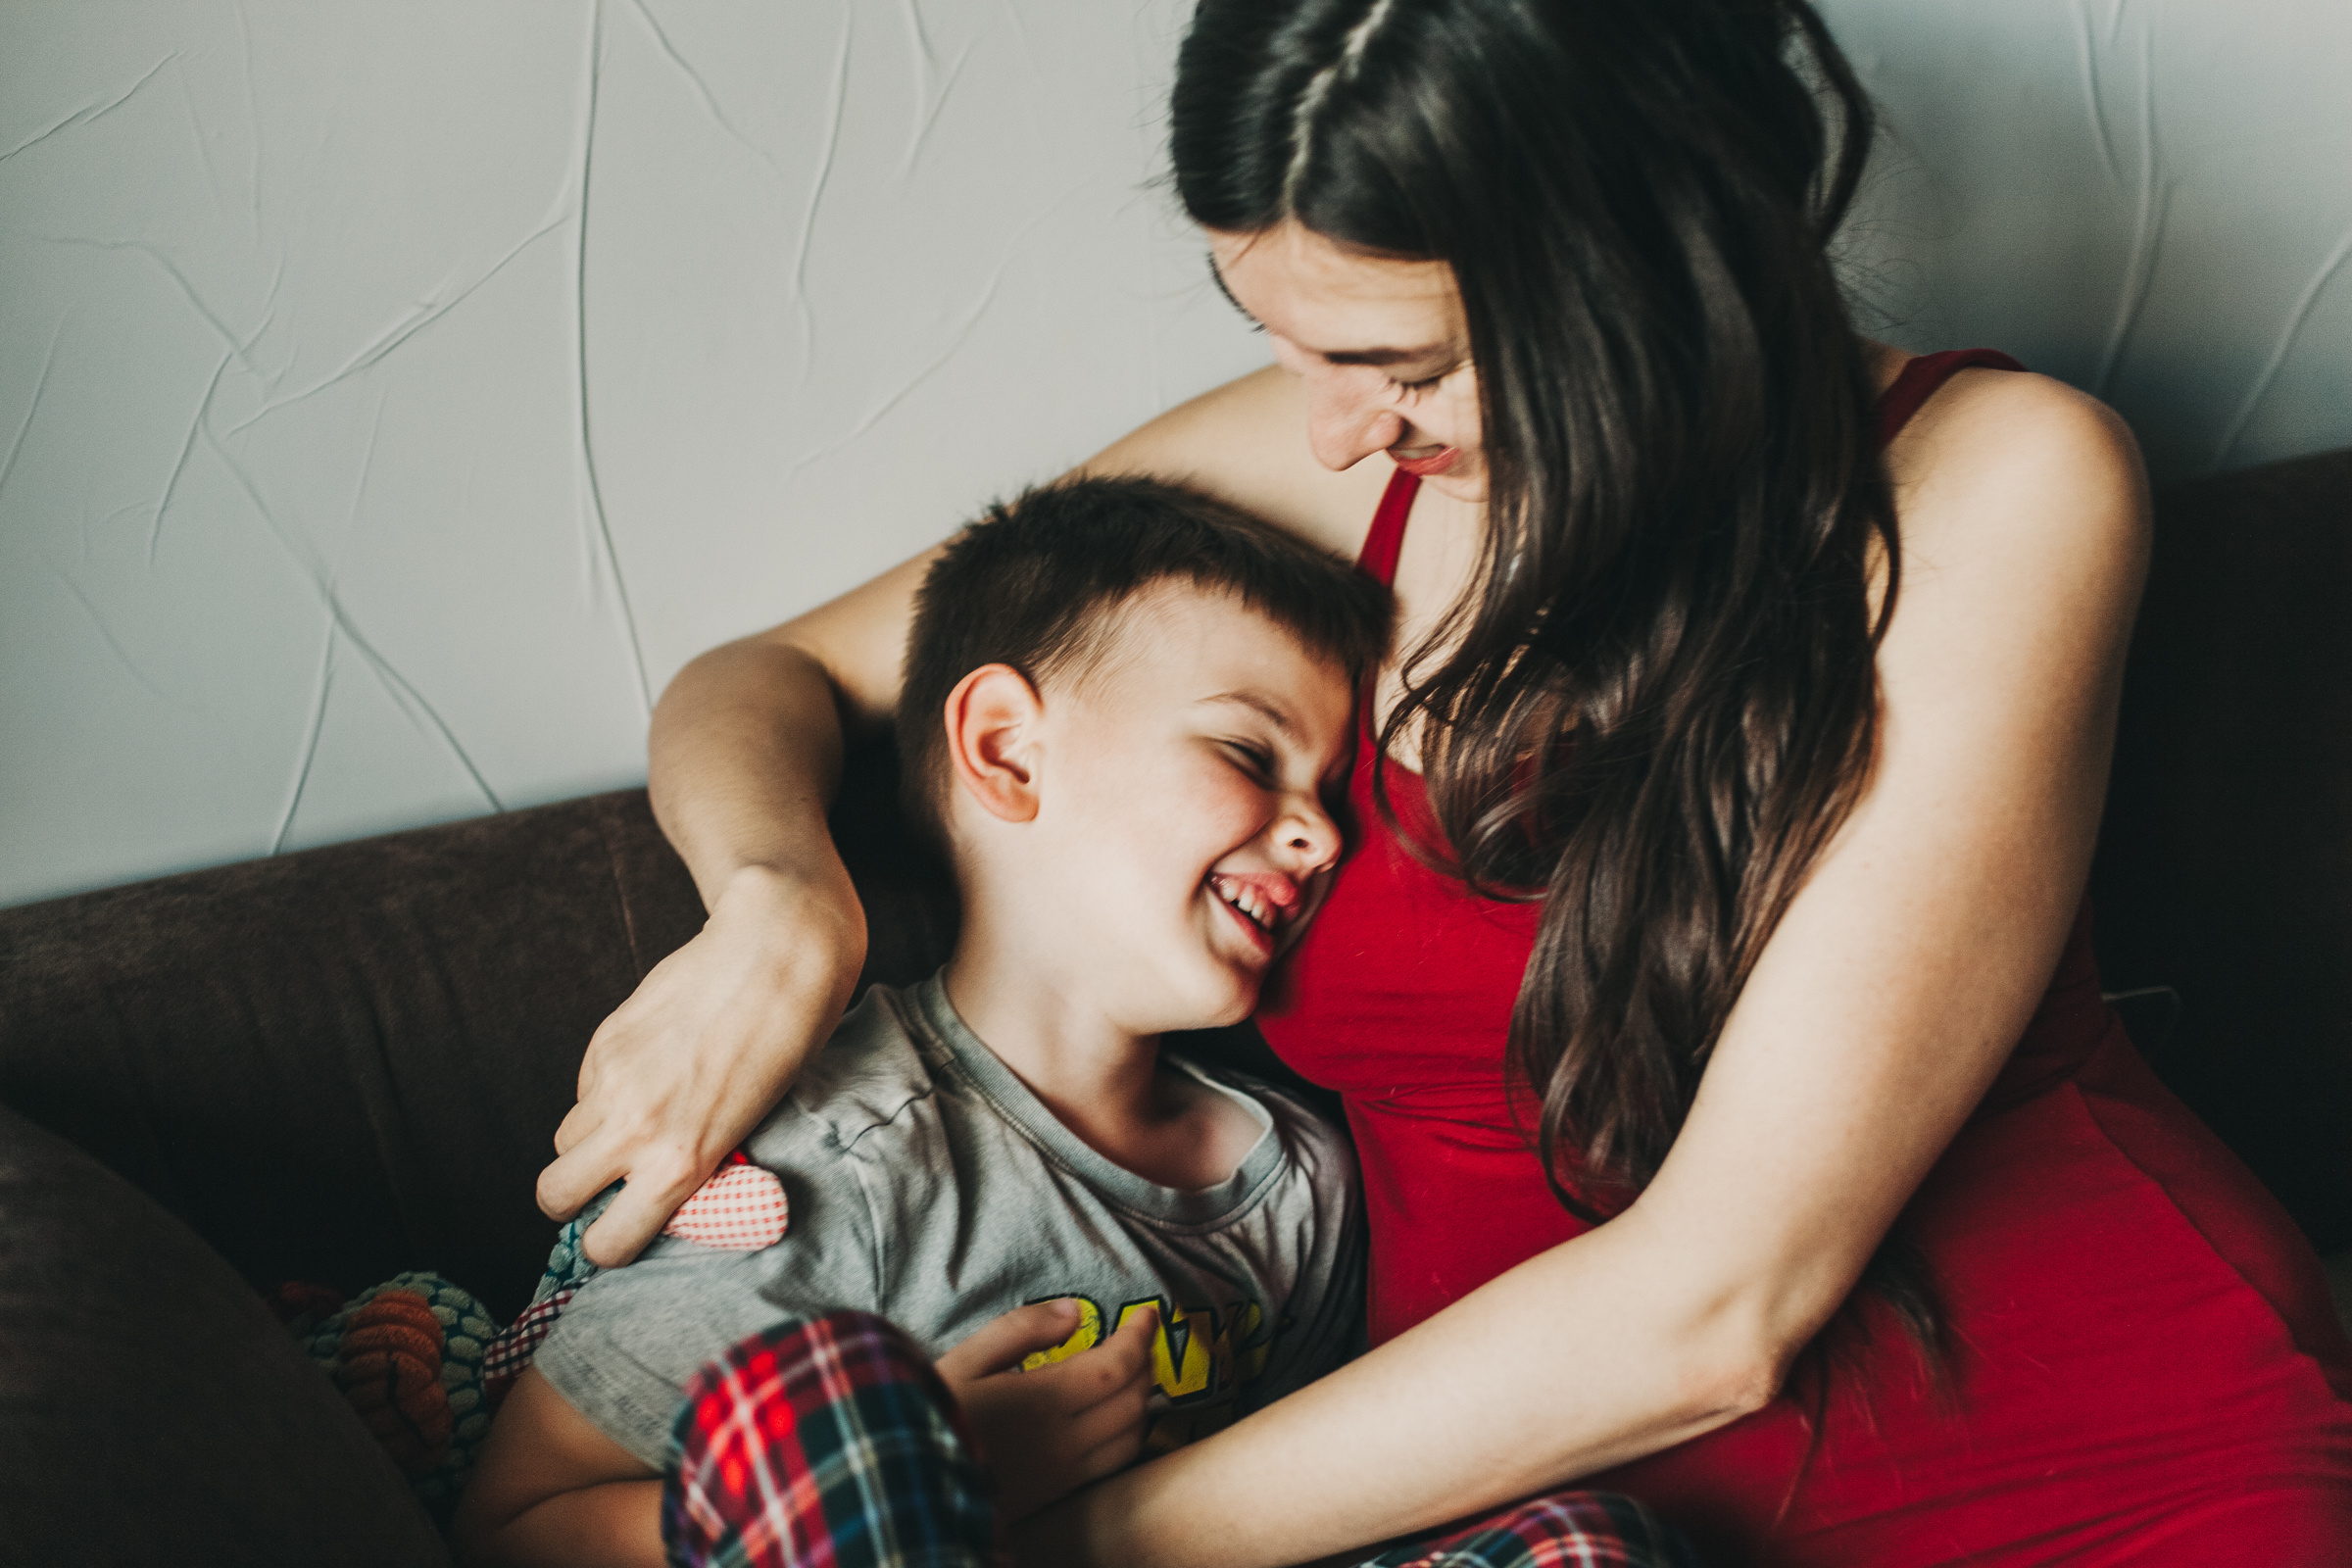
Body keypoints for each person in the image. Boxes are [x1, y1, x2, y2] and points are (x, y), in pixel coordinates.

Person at [534, 1, 2352, 1563]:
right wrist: (782, 899)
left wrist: (1028, 1534)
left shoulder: (2001, 486)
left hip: (2090, 1462)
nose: (1327, 422)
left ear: (1639, 281)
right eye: (1282, 337)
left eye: (1398, 362)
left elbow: (1722, 1304)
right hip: (1522, 1509)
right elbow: (754, 681)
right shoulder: (1342, 477)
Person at [453, 478, 1398, 1564]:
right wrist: (933, 1469)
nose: (1322, 838)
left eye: (1331, 790)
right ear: (1005, 750)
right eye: (1248, 754)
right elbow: (513, 1529)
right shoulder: (842, 1166)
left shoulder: (1307, 1181)